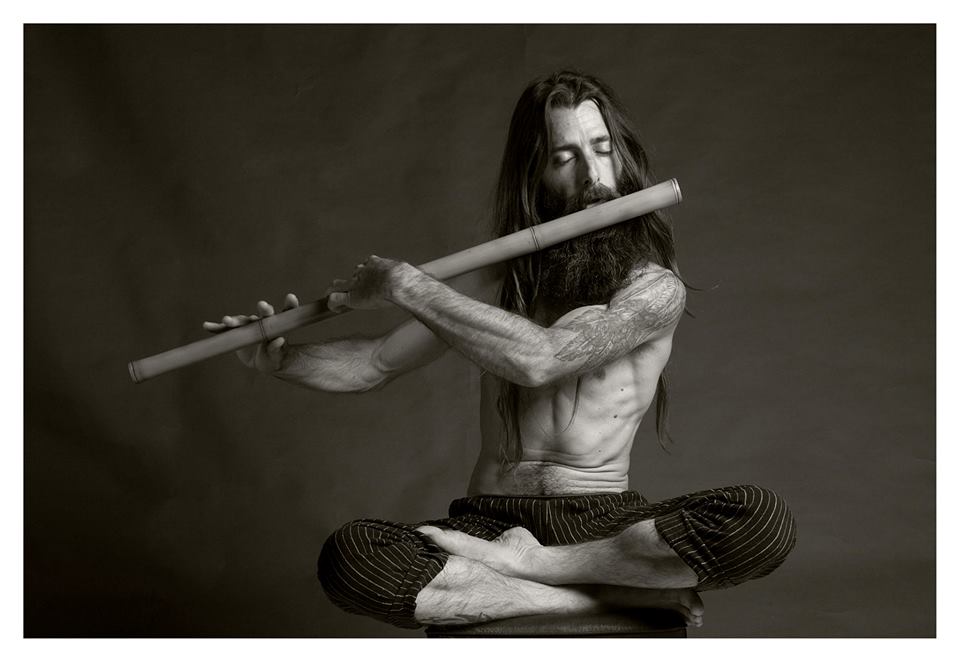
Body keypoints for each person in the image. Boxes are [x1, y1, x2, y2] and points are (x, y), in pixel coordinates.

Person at [204, 70, 796, 630]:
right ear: (535, 174)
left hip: (601, 523)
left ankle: (541, 567)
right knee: (353, 559)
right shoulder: (495, 282)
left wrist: (408, 285)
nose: (593, 176)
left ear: (624, 157)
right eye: (565, 157)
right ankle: (587, 594)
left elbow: (543, 359)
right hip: (487, 522)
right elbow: (371, 364)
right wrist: (281, 358)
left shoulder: (652, 290)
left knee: (760, 521)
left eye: (602, 149)